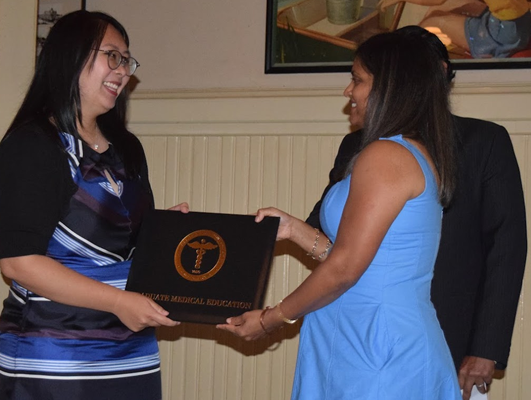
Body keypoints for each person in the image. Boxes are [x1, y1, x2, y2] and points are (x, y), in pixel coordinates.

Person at [218, 29, 462, 399]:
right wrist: (297, 231)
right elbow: (362, 261)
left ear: (390, 88)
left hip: (378, 349)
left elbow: (346, 268)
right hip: (362, 340)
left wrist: (271, 319)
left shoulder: (386, 156)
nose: (348, 91)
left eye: (357, 80)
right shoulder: (402, 152)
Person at [306, 25, 527, 400]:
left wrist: (486, 349)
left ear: (436, 75)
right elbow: (326, 233)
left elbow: (506, 249)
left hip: (451, 336)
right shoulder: (356, 145)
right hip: (354, 334)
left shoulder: (484, 142)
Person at [0, 10, 187, 400]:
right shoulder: (32, 146)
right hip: (55, 357)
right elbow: (19, 263)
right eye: (112, 55)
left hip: (131, 351)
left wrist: (165, 236)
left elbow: (122, 247)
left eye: (126, 60)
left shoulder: (127, 149)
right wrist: (117, 301)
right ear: (70, 55)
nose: (123, 70)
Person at [379, 0, 531, 58]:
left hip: (502, 33)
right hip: (521, 20)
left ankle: (416, 69)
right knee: (443, 8)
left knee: (430, 23)